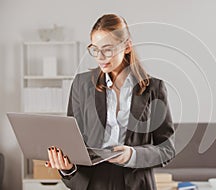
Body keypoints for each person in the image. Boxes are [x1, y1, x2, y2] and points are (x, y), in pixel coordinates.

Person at [45, 13, 175, 190]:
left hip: (136, 182)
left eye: (107, 49)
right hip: (93, 181)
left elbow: (167, 149)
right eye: (95, 49)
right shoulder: (81, 85)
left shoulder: (154, 88)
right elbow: (73, 142)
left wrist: (133, 154)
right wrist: (67, 168)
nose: (100, 56)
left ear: (127, 46)